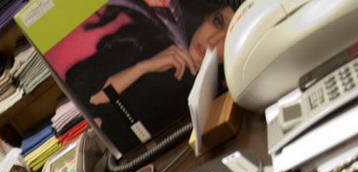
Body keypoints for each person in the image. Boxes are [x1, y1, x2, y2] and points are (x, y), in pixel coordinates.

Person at [65, 0, 241, 152]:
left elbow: (100, 107)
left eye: (229, 38)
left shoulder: (222, 96)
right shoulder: (145, 40)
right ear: (206, 16)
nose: (212, 41)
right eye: (218, 22)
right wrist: (143, 67)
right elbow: (91, 96)